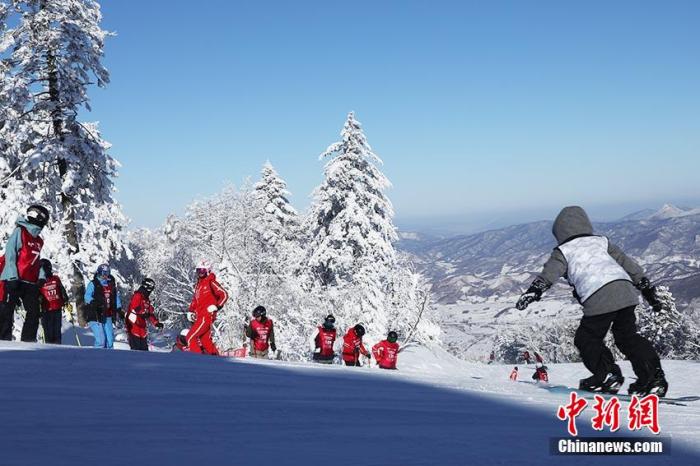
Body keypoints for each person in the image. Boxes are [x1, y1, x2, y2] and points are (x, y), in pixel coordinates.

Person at [516, 206, 668, 396]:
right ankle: (653, 379)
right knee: (628, 337)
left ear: (560, 232)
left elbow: (549, 274)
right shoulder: (602, 242)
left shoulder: (564, 250)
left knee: (587, 338)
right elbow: (628, 263)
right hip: (626, 291)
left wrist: (533, 291)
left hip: (598, 294)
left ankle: (607, 375)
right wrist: (646, 288)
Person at [0, 205, 50, 341]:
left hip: (30, 282)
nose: (45, 223)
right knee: (6, 311)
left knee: (34, 312)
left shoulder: (39, 240)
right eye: (44, 219)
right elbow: (10, 253)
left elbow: (36, 260)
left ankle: (27, 341)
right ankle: (3, 342)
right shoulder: (20, 231)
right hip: (14, 279)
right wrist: (12, 276)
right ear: (37, 217)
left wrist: (41, 277)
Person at [187, 260, 228, 356]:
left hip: (206, 315)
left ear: (208, 271)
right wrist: (191, 311)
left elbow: (224, 294)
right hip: (199, 316)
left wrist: (217, 306)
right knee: (205, 340)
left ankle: (197, 361)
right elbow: (195, 300)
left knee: (190, 337)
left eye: (203, 271)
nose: (200, 273)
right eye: (198, 271)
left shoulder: (211, 282)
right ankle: (217, 361)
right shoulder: (199, 285)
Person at [84, 264, 122, 349]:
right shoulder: (94, 283)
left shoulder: (110, 284)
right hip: (96, 315)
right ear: (99, 273)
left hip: (107, 314)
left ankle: (110, 358)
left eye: (107, 273)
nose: (105, 276)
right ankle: (98, 358)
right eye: (103, 273)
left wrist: (119, 308)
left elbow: (115, 297)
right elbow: (87, 296)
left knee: (110, 340)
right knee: (101, 340)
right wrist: (92, 302)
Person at [125, 278, 163, 351]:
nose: (151, 291)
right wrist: (142, 312)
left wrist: (156, 323)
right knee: (136, 349)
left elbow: (150, 313)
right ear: (146, 287)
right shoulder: (137, 295)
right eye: (150, 288)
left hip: (142, 328)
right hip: (133, 326)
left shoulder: (146, 299)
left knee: (144, 350)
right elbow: (134, 307)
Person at [38, 259, 69, 344]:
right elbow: (38, 295)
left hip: (57, 308)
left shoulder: (55, 278)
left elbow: (61, 290)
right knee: (48, 331)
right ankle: (49, 348)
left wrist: (65, 300)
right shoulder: (40, 281)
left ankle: (58, 346)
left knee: (57, 329)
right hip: (46, 310)